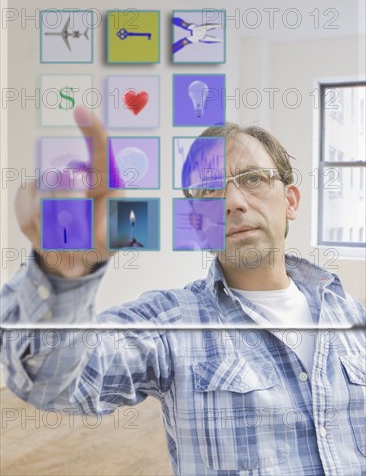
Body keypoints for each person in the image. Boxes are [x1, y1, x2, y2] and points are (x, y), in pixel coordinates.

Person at [1, 106, 365, 476]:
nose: (232, 202)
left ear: (290, 202)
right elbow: (53, 383)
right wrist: (61, 278)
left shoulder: (350, 314)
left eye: (253, 178)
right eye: (209, 190)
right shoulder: (171, 322)